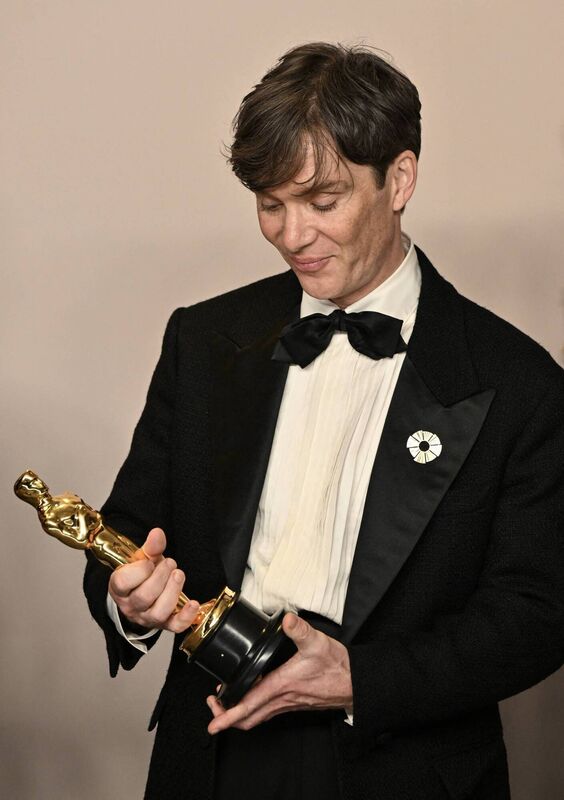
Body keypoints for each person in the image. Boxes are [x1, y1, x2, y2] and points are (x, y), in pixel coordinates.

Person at [83, 42, 564, 799]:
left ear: (399, 178)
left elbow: (538, 615)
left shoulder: (519, 382)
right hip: (211, 755)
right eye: (270, 205)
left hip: (402, 767)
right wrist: (129, 599)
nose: (290, 235)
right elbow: (128, 528)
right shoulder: (202, 339)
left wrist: (359, 679)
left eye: (322, 201)